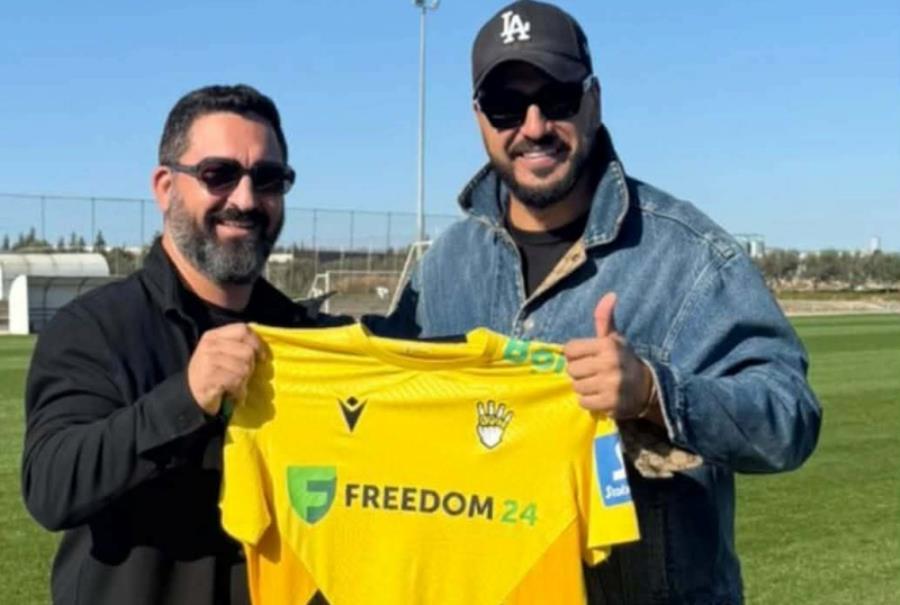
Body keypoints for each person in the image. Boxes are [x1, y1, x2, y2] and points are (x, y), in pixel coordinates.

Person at [378, 1, 823, 603]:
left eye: (556, 97)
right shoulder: (443, 270)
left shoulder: (688, 257)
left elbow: (790, 420)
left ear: (593, 99)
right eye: (506, 105)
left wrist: (653, 393)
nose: (534, 126)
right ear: (479, 117)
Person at [21, 84, 340, 605]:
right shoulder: (95, 329)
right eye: (218, 174)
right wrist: (185, 399)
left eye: (267, 179)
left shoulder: (307, 339)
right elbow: (51, 487)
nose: (245, 199)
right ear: (166, 186)